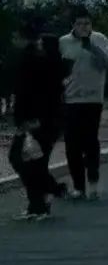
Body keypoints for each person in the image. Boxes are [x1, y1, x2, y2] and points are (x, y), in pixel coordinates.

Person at [8, 14, 65, 221]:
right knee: (27, 160)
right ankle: (41, 200)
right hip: (36, 119)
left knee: (28, 160)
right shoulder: (30, 57)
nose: (13, 40)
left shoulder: (36, 59)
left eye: (15, 36)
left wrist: (32, 119)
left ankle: (43, 200)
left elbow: (38, 92)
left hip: (41, 120)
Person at [59, 5, 108, 201]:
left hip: (93, 99)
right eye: (80, 23)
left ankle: (93, 180)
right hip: (71, 99)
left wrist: (92, 47)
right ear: (73, 25)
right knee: (72, 144)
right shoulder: (64, 42)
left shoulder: (99, 39)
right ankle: (78, 186)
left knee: (90, 141)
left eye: (87, 23)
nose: (84, 27)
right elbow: (58, 68)